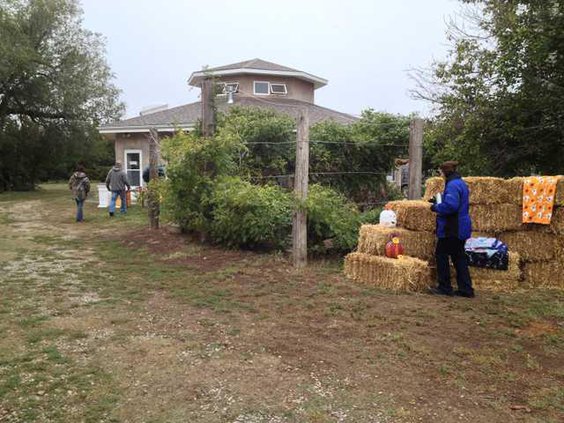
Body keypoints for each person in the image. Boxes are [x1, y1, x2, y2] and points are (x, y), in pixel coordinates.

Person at [429, 161, 474, 298]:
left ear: (445, 172)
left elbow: (451, 206)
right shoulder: (460, 183)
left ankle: (445, 287)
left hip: (453, 227)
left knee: (441, 254)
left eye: (441, 172)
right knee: (459, 257)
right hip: (460, 226)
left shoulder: (453, 185)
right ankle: (466, 289)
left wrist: (436, 207)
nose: (440, 175)